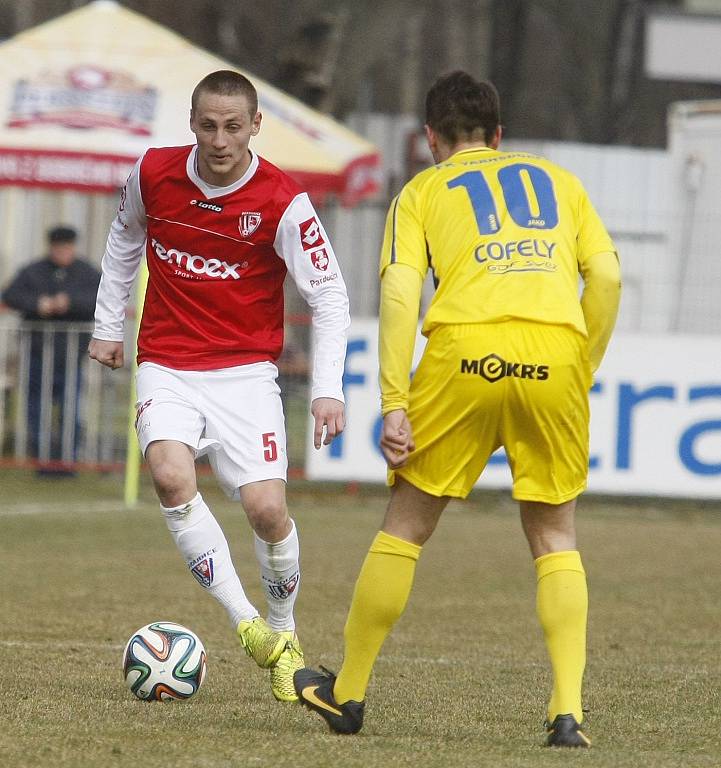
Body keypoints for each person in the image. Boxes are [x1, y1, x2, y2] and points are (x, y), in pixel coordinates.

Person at [294, 71, 621, 747]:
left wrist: (393, 402)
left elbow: (397, 294)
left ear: (430, 139)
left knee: (407, 526)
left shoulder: (421, 190)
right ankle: (566, 713)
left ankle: (346, 694)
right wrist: (577, 366)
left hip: (463, 353)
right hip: (554, 352)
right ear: (498, 137)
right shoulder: (560, 183)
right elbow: (608, 278)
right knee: (555, 535)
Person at [89, 70, 349, 702]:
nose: (221, 139)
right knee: (172, 476)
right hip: (168, 363)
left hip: (245, 374)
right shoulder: (152, 174)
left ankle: (285, 635)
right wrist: (107, 324)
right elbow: (125, 239)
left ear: (255, 126)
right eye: (209, 125)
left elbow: (329, 293)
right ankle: (249, 626)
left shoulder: (283, 201)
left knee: (266, 511)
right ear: (191, 123)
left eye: (234, 126)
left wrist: (329, 388)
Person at [2, 225, 101, 471]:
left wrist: (69, 303)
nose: (63, 252)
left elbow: (100, 299)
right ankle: (42, 458)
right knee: (37, 406)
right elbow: (10, 295)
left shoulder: (86, 273)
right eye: (59, 248)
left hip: (72, 354)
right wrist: (39, 304)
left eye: (67, 247)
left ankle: (67, 459)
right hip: (37, 353)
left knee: (71, 408)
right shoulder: (33, 272)